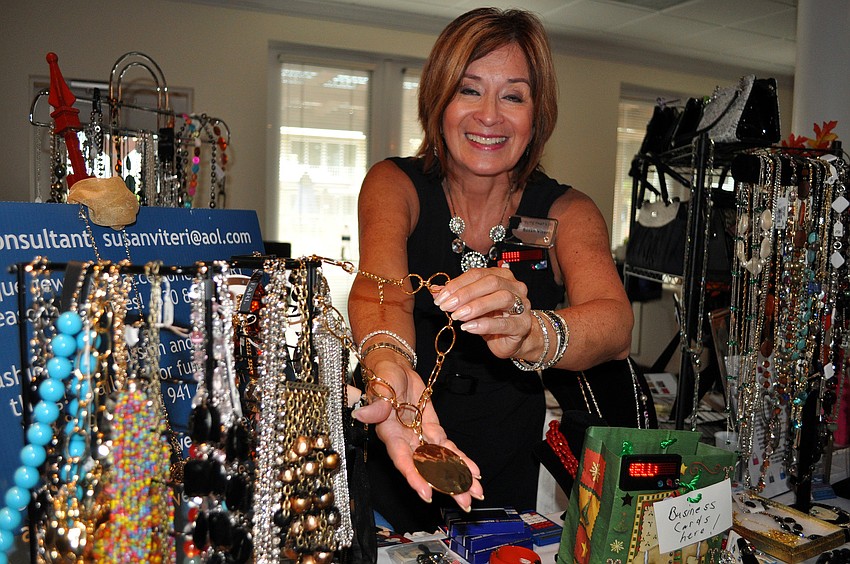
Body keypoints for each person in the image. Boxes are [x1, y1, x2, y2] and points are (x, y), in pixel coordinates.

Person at [347, 7, 643, 534]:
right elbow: (383, 290)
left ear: (537, 115)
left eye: (513, 96)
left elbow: (615, 324)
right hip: (401, 429)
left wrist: (532, 332)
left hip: (506, 454)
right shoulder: (394, 183)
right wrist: (388, 364)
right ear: (438, 100)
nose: (489, 116)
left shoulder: (569, 210)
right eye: (469, 90)